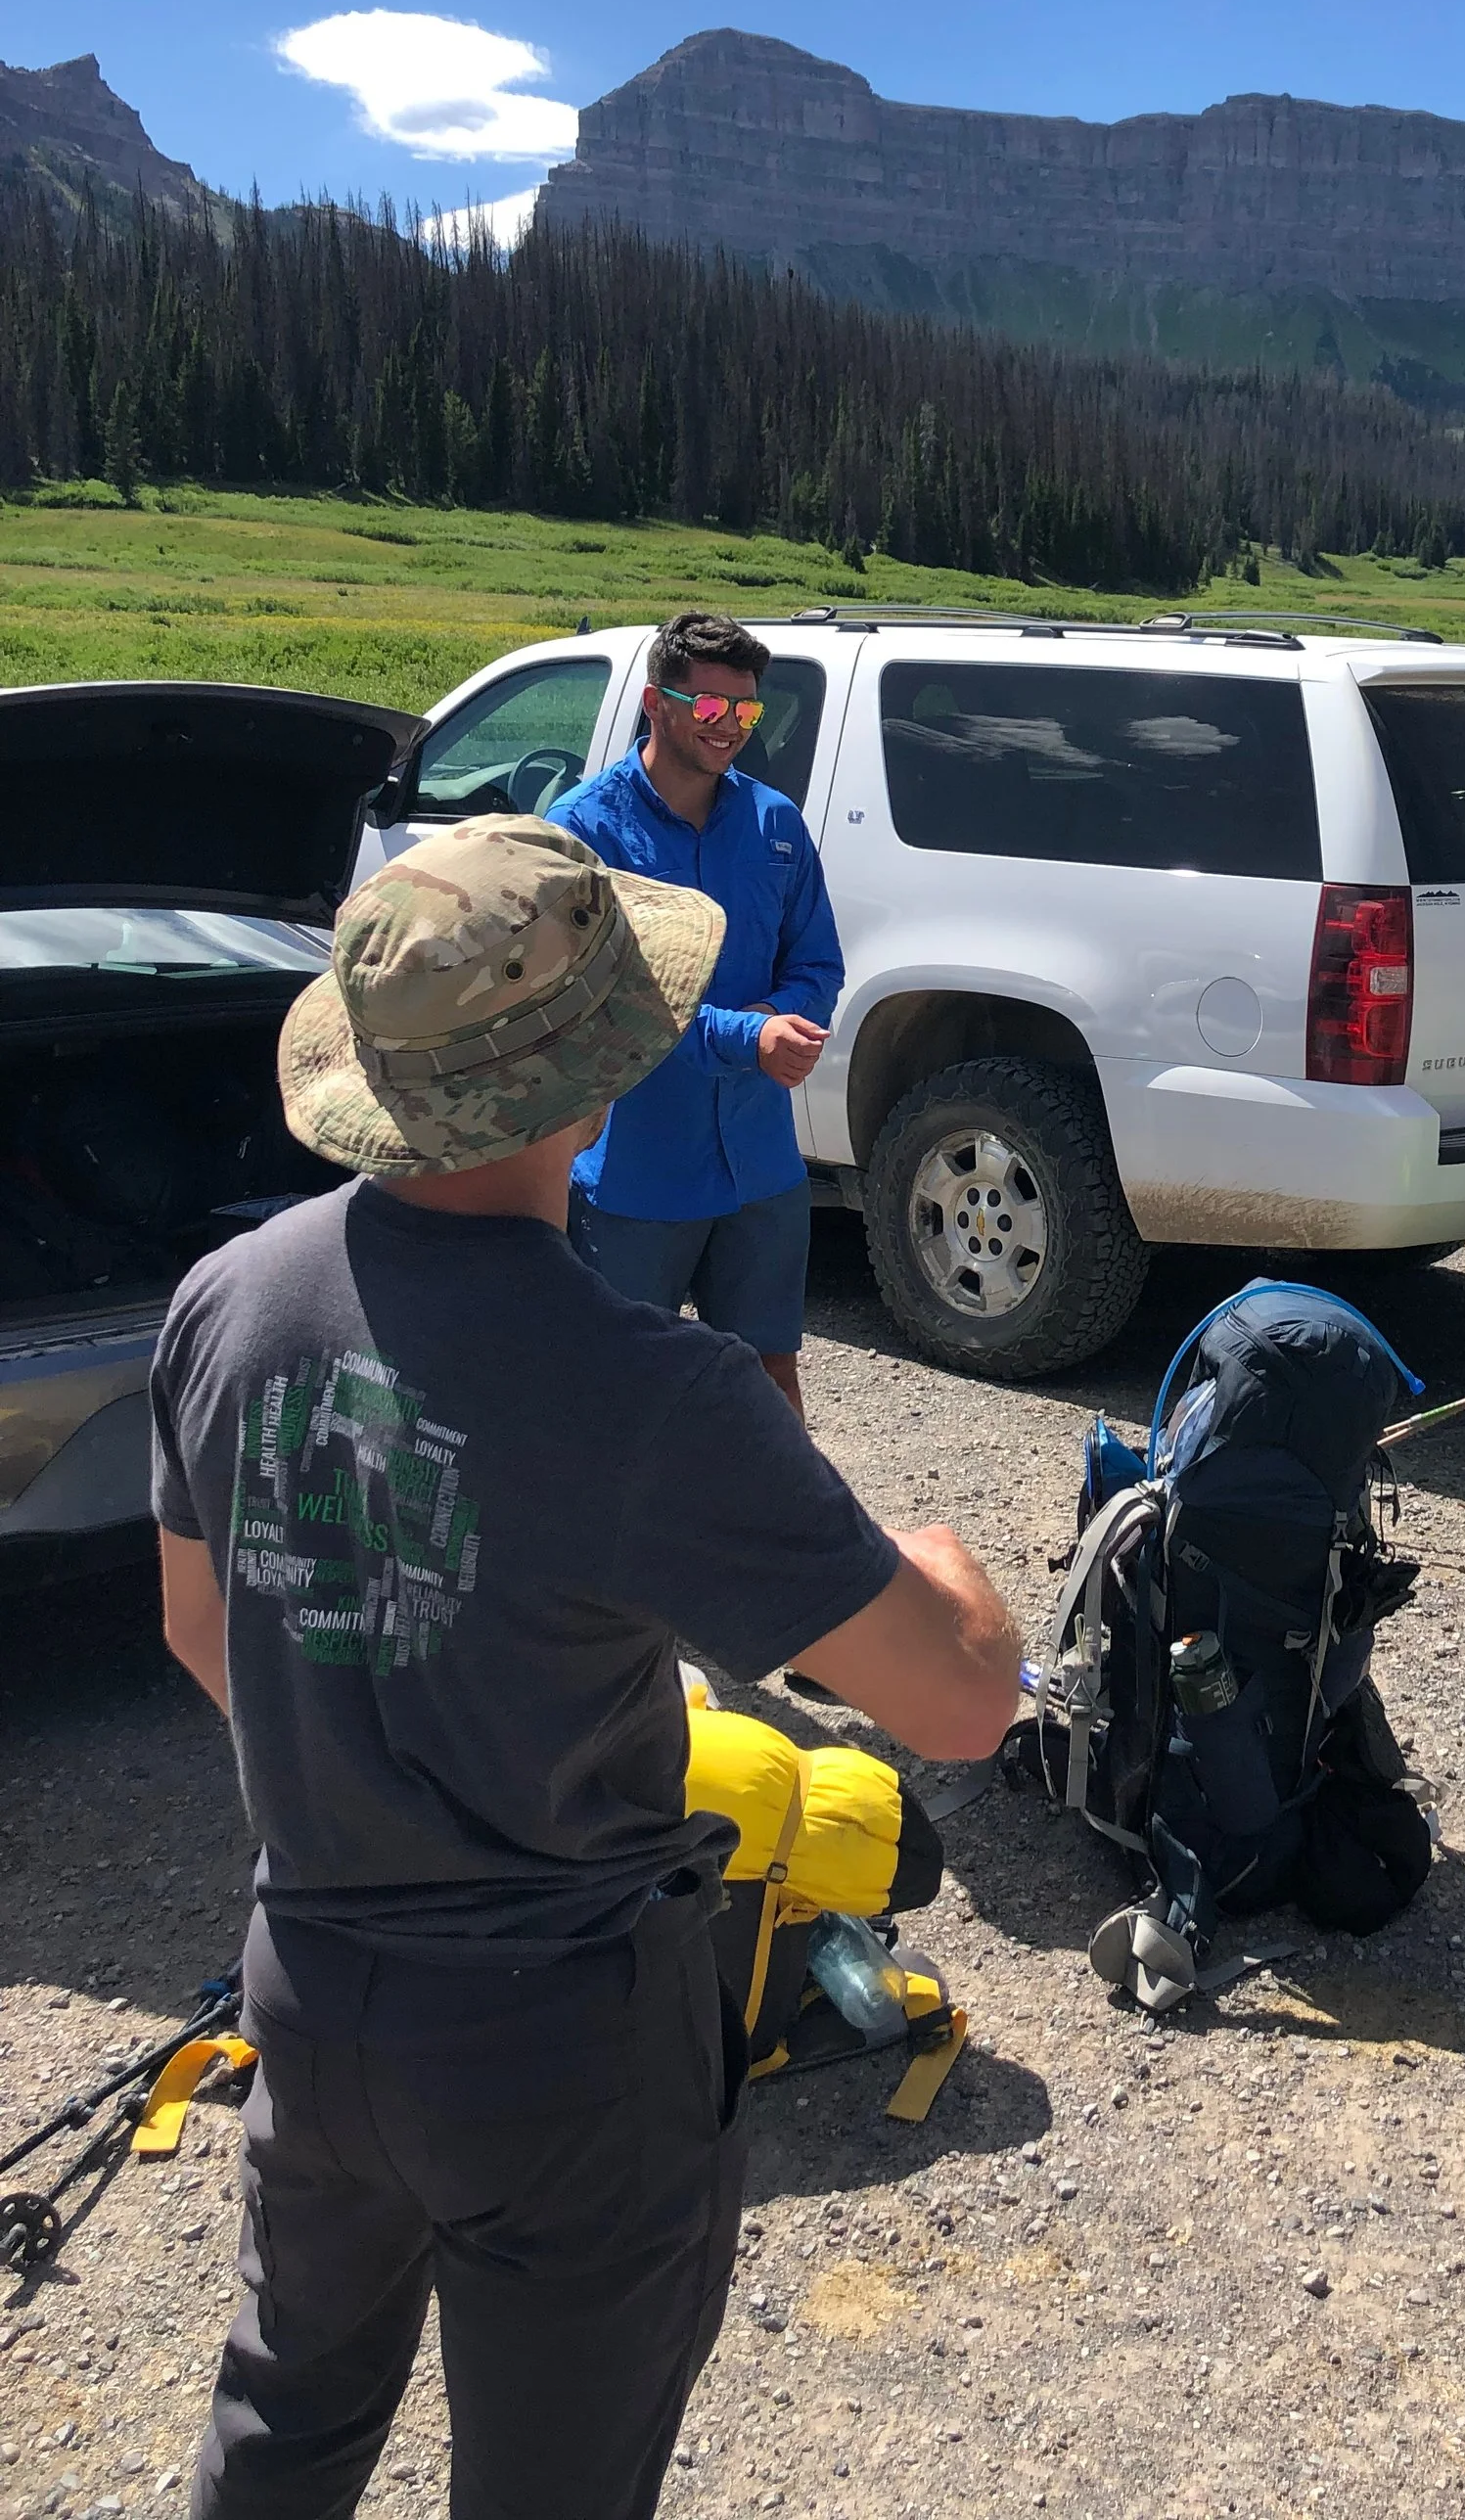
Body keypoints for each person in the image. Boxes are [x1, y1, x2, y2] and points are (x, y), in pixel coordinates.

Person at [151, 815, 1020, 2520]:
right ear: (598, 1078)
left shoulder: (226, 1299)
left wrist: (386, 1739)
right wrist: (947, 1564)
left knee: (284, 2419)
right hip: (561, 2038)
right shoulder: (652, 1392)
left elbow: (204, 1629)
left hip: (312, 1985)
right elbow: (960, 1701)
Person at [550, 611, 843, 1420]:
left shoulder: (774, 822)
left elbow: (819, 962)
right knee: (617, 1390)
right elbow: (615, 1001)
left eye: (748, 712)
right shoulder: (582, 830)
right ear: (656, 702)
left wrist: (783, 1015)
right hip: (637, 1170)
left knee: (768, 1383)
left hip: (760, 1167)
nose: (732, 729)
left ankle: (775, 1540)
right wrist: (753, 1035)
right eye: (712, 708)